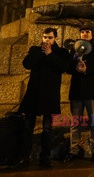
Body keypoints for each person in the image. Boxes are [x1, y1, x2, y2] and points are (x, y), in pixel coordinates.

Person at [13, 28, 70, 168]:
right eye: (45, 37)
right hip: (33, 94)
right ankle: (24, 158)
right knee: (27, 128)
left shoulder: (61, 52)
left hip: (49, 96)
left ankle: (45, 158)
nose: (46, 40)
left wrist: (50, 54)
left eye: (50, 37)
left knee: (47, 129)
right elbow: (26, 64)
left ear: (55, 38)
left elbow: (63, 67)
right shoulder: (35, 50)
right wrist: (41, 53)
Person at [63, 27, 94, 163]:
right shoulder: (75, 49)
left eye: (88, 31)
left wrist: (87, 69)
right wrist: (77, 69)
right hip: (76, 91)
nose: (85, 34)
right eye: (82, 32)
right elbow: (68, 68)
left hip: (92, 90)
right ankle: (73, 150)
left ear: (92, 34)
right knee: (75, 122)